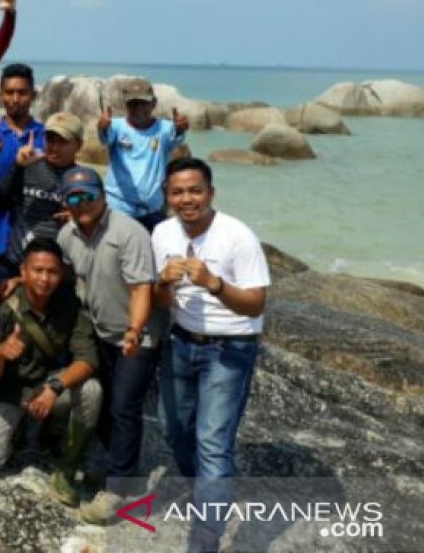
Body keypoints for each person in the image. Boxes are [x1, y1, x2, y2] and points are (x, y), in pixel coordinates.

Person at [152, 158, 269, 552]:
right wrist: (163, 283)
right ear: (167, 196)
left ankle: (204, 541)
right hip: (182, 341)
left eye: (195, 191)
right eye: (178, 192)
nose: (187, 199)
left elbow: (255, 304)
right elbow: (161, 299)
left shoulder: (237, 236)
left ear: (211, 194)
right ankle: (205, 491)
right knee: (172, 428)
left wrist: (215, 283)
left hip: (230, 346)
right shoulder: (163, 233)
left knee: (213, 443)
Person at [54, 166, 166, 526]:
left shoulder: (128, 232)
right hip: (101, 332)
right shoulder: (67, 235)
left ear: (102, 195)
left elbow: (141, 288)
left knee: (124, 407)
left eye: (88, 195)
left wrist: (134, 329)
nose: (81, 203)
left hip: (138, 334)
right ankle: (123, 465)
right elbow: (66, 276)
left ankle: (120, 488)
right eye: (73, 197)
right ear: (64, 202)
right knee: (104, 405)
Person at [0, 237, 101, 508]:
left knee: (91, 390)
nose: (44, 278)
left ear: (61, 274)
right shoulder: (5, 305)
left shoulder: (69, 304)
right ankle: (21, 430)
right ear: (23, 272)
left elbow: (87, 359)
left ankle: (66, 465)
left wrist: (55, 387)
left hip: (45, 387)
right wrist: (0, 354)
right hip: (7, 391)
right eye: (37, 270)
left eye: (52, 272)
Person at [97, 77, 189, 231]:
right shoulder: (116, 126)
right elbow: (105, 138)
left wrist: (180, 128)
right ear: (125, 105)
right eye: (133, 103)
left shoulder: (164, 129)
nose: (138, 108)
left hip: (152, 210)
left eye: (143, 103)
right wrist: (102, 127)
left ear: (153, 103)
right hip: (118, 208)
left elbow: (176, 138)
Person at [0, 112, 83, 274]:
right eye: (50, 140)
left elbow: (93, 223)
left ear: (78, 145)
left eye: (62, 141)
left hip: (53, 271)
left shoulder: (83, 179)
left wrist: (77, 218)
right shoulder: (28, 165)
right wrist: (17, 166)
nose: (54, 147)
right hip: (14, 263)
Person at [0, 63, 45, 279]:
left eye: (22, 93)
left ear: (34, 95)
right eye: (9, 92)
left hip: (36, 237)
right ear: (0, 95)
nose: (15, 99)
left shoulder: (47, 137)